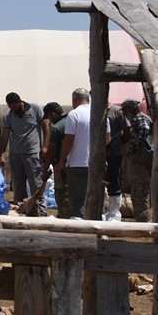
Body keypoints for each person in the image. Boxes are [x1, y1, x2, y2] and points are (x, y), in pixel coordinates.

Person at [0, 92, 45, 212]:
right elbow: (5, 135)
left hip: (32, 153)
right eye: (10, 107)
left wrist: (46, 145)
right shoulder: (8, 115)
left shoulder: (35, 109)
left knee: (36, 184)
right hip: (15, 154)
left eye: (15, 106)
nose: (13, 109)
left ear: (20, 102)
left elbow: (46, 125)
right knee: (18, 185)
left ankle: (40, 210)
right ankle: (21, 210)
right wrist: (2, 153)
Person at [57, 88, 92, 219]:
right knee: (95, 197)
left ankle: (80, 229)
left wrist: (61, 160)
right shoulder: (100, 112)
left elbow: (69, 140)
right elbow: (107, 139)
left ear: (74, 99)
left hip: (77, 162)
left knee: (78, 200)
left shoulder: (74, 114)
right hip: (96, 164)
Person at [121, 98, 153, 222]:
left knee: (140, 192)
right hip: (142, 161)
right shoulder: (141, 118)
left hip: (142, 161)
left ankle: (144, 222)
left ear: (131, 109)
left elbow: (144, 129)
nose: (124, 114)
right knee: (140, 191)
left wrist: (133, 145)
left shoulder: (140, 118)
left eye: (125, 110)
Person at [103, 102, 131, 221]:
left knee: (114, 182)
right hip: (96, 155)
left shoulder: (116, 111)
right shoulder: (92, 110)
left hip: (113, 153)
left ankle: (114, 213)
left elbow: (127, 131)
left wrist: (117, 144)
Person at [42, 102, 70, 216]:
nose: (49, 120)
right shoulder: (72, 120)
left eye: (49, 117)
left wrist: (44, 170)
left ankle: (65, 217)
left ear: (52, 114)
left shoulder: (57, 127)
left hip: (61, 165)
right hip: (77, 164)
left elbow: (51, 151)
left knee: (63, 193)